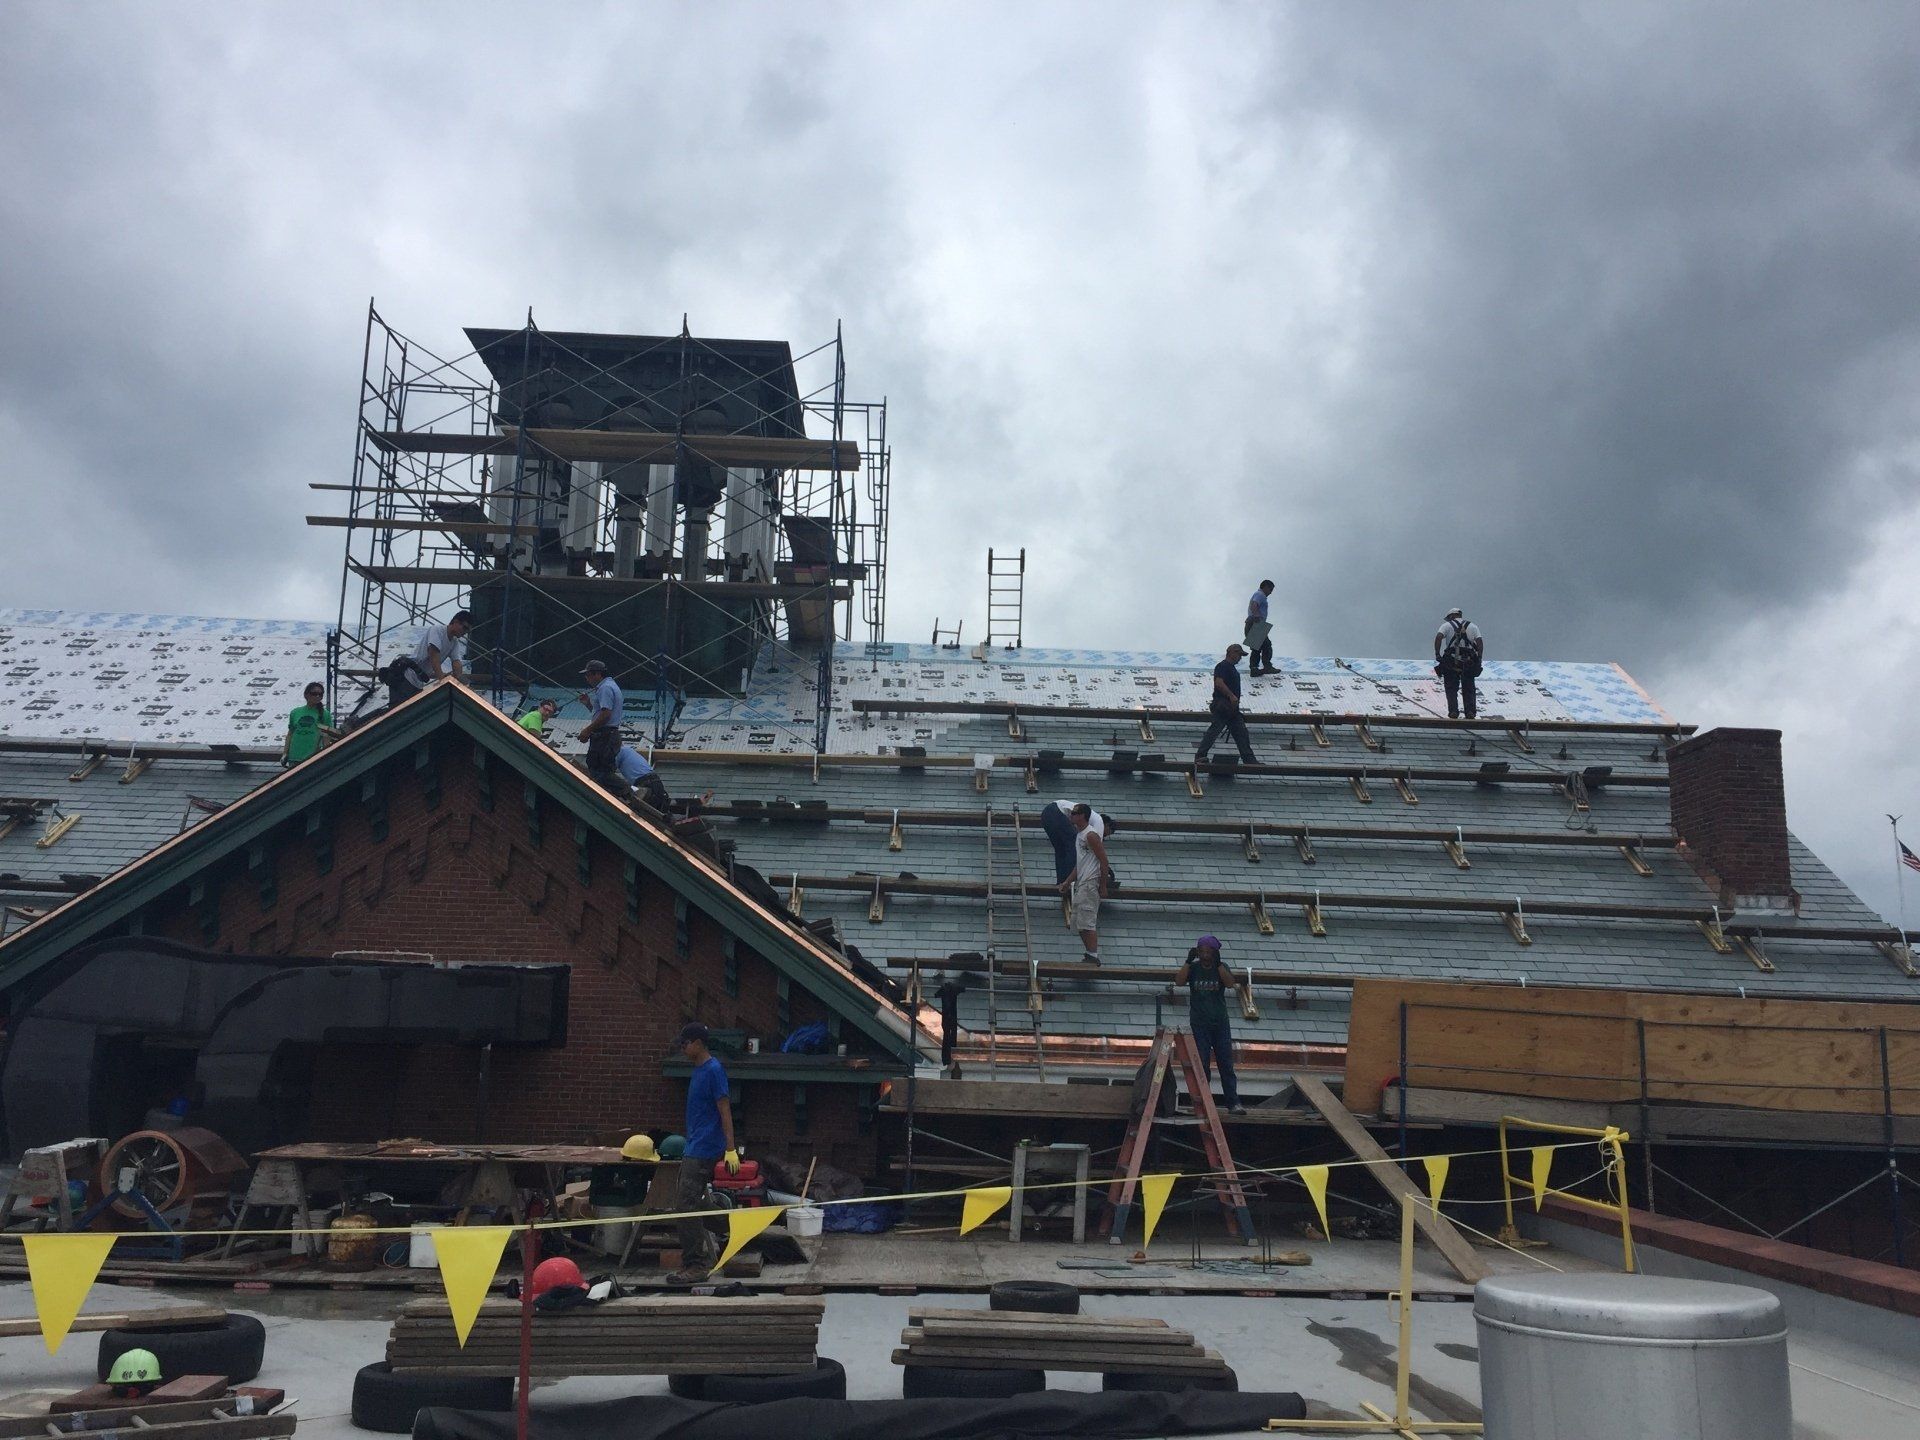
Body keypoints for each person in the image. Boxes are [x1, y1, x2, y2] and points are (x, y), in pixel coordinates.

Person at [668, 1023, 739, 1286]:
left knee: (685, 1206)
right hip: (694, 1145)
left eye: (686, 1043)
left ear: (698, 1043)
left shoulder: (713, 1070)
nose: (683, 1048)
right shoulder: (698, 1071)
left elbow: (725, 1110)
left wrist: (730, 1149)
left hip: (704, 1148)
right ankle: (731, 1227)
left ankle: (696, 1265)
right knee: (689, 1203)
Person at [1175, 936, 1247, 1114]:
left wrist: (1219, 964)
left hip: (1220, 1023)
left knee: (1226, 1064)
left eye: (1208, 952)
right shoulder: (1194, 968)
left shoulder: (1221, 968)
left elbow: (1230, 984)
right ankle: (1204, 1101)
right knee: (1202, 1063)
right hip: (1200, 1023)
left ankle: (1233, 1102)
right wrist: (1187, 961)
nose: (1205, 956)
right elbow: (1179, 981)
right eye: (1202, 952)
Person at [1055, 803, 1109, 965]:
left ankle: (1093, 955)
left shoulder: (1090, 835)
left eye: (1075, 813)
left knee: (1087, 920)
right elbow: (1080, 864)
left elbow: (1104, 861)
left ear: (1082, 816)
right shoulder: (1080, 835)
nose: (1071, 815)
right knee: (1080, 921)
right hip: (1083, 882)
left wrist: (1103, 885)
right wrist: (1067, 882)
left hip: (1090, 883)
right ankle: (1089, 953)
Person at [388, 610, 473, 707]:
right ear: (456, 622)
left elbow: (456, 662)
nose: (464, 632)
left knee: (410, 712)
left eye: (467, 631)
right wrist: (442, 680)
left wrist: (461, 683)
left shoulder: (454, 642)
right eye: (464, 627)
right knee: (398, 711)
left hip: (418, 681)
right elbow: (433, 654)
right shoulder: (437, 630)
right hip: (406, 676)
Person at [1195, 644, 1259, 764]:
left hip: (1232, 709)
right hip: (1223, 706)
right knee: (1215, 730)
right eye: (1238, 654)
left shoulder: (1231, 669)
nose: (1240, 658)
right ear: (1231, 652)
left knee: (1241, 733)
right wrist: (1231, 696)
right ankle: (1200, 755)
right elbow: (1219, 683)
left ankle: (1249, 759)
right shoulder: (1223, 666)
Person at [1039, 799, 1106, 886]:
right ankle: (1071, 881)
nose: (1105, 836)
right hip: (1056, 811)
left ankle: (1062, 881)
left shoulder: (1088, 824)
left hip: (1047, 814)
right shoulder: (1099, 822)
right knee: (1073, 846)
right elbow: (1096, 855)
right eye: (1107, 834)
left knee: (1061, 851)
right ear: (1107, 825)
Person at [1433, 608, 1484, 720]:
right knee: (1469, 687)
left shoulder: (1446, 626)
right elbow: (1479, 642)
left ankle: (1453, 712)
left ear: (1451, 616)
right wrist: (1479, 658)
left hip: (1451, 661)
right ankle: (1470, 712)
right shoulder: (1473, 626)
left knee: (1451, 688)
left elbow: (1438, 638)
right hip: (1469, 660)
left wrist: (1437, 654)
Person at [577, 660, 624, 778]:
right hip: (609, 735)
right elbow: (603, 712)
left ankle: (628, 790)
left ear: (597, 674)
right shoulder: (610, 685)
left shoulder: (605, 688)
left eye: (588, 675)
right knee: (601, 769)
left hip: (605, 735)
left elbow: (606, 714)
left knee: (600, 772)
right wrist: (588, 704)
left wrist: (587, 730)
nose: (587, 678)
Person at [282, 682, 339, 767]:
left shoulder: (324, 714)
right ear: (306, 695)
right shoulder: (295, 712)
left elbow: (326, 737)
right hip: (294, 756)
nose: (317, 696)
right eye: (314, 694)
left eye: (320, 694)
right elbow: (290, 734)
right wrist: (285, 753)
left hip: (313, 757)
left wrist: (326, 756)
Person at [613, 742, 673, 814]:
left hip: (644, 782)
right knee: (658, 813)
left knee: (640, 812)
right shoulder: (629, 750)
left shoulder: (621, 751)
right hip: (654, 781)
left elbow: (608, 769)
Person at [1244, 580, 1276, 676]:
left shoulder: (1258, 594)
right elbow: (1254, 605)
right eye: (1270, 589)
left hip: (1252, 623)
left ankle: (1254, 669)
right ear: (1265, 587)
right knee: (1266, 645)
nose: (1271, 592)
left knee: (1256, 648)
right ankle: (1267, 666)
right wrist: (1257, 616)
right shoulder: (1260, 594)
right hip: (1255, 623)